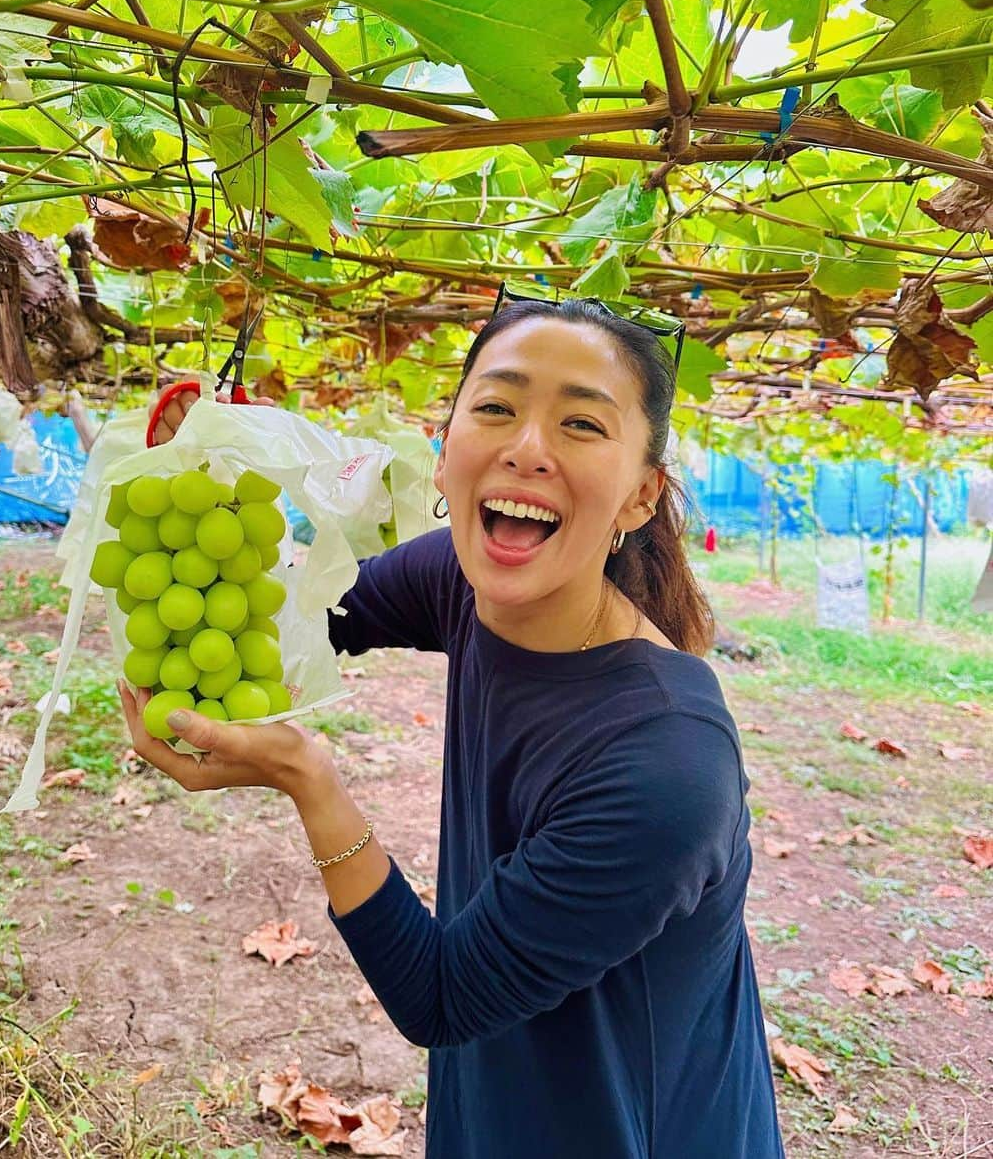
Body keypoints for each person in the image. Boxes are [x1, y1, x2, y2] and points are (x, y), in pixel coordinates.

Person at [122, 293, 786, 1158]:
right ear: (445, 456)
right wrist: (208, 477)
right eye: (497, 408)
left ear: (639, 497)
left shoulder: (668, 762)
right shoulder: (459, 582)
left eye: (582, 425)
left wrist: (306, 779)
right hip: (505, 1098)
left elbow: (439, 997)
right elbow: (318, 612)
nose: (527, 448)